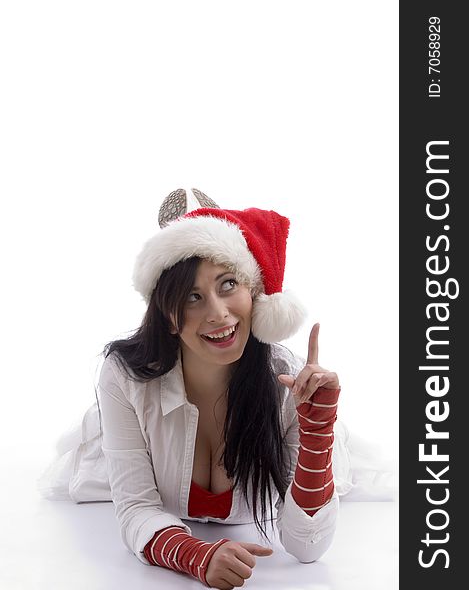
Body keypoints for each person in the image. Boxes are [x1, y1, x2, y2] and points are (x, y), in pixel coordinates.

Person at [39, 188, 352, 589]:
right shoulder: (123, 378)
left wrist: (318, 427)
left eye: (227, 284)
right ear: (168, 317)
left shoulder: (287, 384)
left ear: (253, 293)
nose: (218, 314)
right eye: (192, 297)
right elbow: (136, 507)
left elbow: (307, 548)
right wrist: (196, 555)